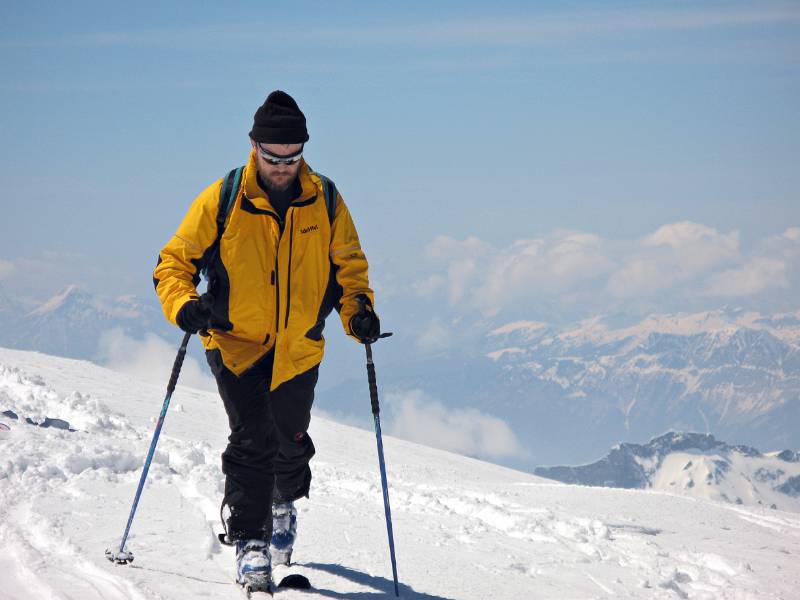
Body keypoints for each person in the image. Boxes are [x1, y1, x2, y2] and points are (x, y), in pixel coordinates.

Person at [153, 90, 380, 593]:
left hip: (298, 346)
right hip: (235, 343)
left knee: (290, 443)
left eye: (292, 156)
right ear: (254, 146)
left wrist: (358, 313)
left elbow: (350, 269)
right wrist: (184, 305)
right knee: (252, 440)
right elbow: (174, 263)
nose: (282, 166)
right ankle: (251, 544)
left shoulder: (326, 198)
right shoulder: (224, 197)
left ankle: (282, 503)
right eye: (273, 156)